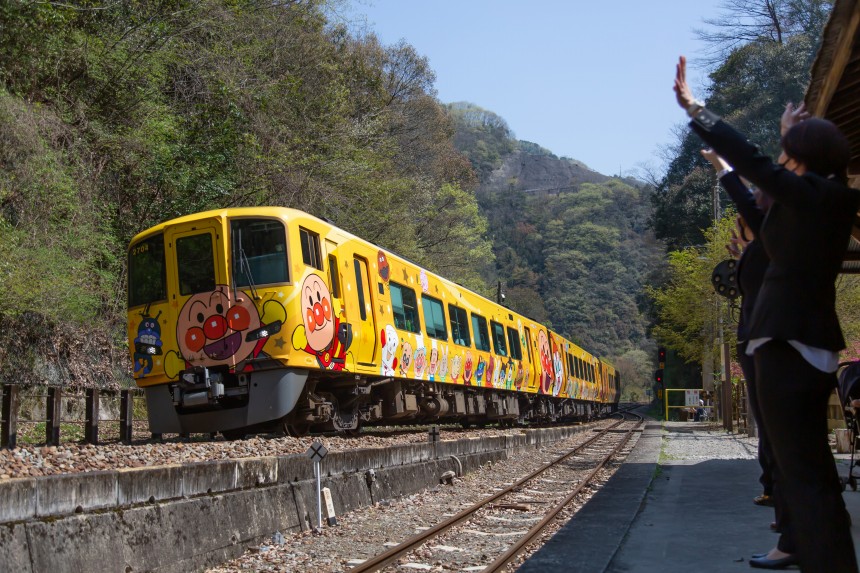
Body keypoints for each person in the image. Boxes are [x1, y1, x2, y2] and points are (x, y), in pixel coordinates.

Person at [675, 55, 860, 572]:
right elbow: (757, 205)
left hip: (786, 345)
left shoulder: (817, 197)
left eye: (791, 155)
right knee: (808, 470)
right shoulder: (818, 203)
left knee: (801, 473)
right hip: (803, 345)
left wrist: (697, 109)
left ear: (802, 160)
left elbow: (759, 165)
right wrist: (729, 170)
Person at [702, 150, 786, 540]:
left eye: (743, 226)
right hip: (763, 349)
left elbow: (746, 200)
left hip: (772, 350)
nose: (739, 231)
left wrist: (723, 168)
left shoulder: (777, 243)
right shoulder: (761, 250)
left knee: (780, 435)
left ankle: (792, 526)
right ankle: (781, 504)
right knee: (775, 435)